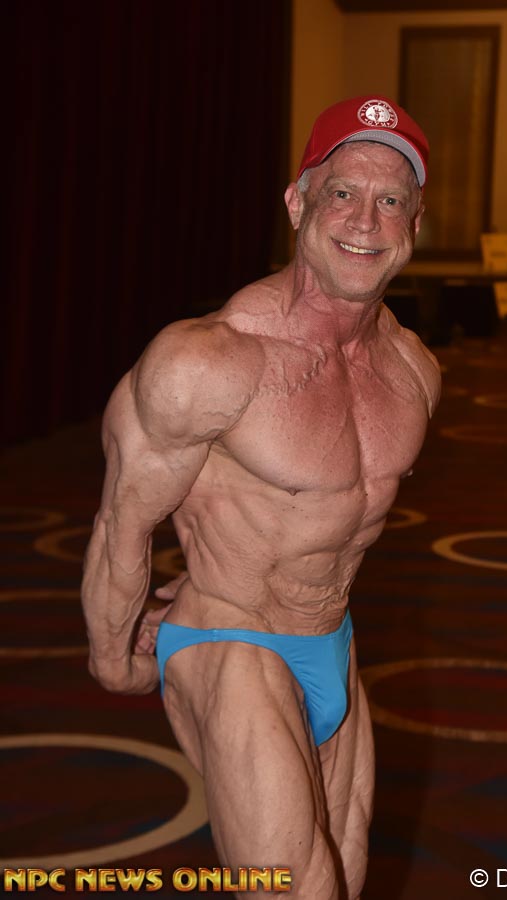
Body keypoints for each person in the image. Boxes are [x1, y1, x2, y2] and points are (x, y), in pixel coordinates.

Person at [82, 95, 441, 899]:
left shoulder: (415, 371)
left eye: (391, 201)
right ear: (296, 202)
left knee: (345, 878)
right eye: (342, 192)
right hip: (232, 641)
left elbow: (327, 521)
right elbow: (121, 524)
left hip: (334, 646)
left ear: (415, 224)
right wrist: (114, 661)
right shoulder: (207, 362)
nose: (366, 220)